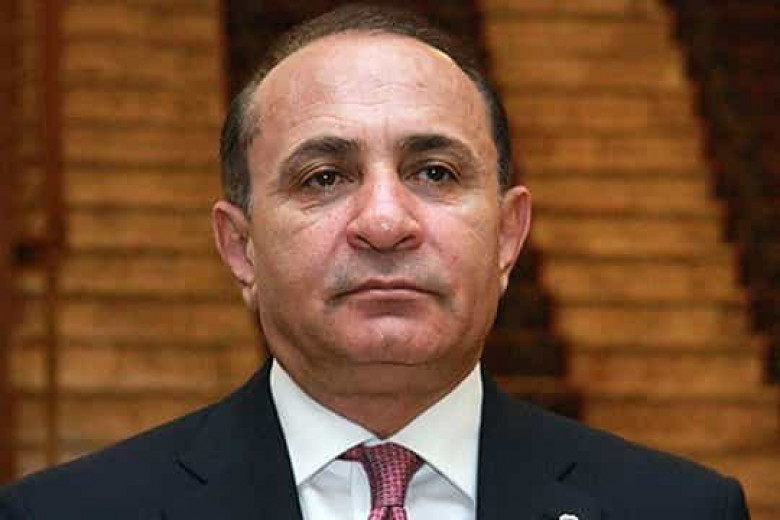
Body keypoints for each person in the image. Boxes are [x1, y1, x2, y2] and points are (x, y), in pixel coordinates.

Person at [0, 4, 750, 519]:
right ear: (241, 247)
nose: (385, 223)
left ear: (507, 236)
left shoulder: (680, 509)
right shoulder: (64, 513)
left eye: (435, 172)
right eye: (324, 177)